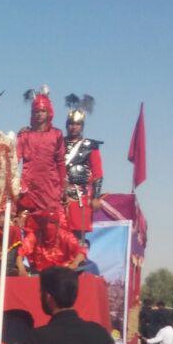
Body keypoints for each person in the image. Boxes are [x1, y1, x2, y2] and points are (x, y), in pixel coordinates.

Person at [16, 88, 66, 217]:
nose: (39, 114)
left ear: (49, 112)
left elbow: (60, 162)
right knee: (27, 222)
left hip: (50, 188)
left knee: (52, 222)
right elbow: (14, 159)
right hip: (29, 187)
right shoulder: (24, 135)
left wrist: (63, 186)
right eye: (36, 111)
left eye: (43, 111)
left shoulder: (57, 134)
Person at [61, 96, 104, 238]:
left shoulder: (90, 146)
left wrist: (96, 197)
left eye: (78, 124)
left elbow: (97, 173)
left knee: (77, 238)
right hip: (59, 196)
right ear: (66, 125)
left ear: (82, 126)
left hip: (79, 198)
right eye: (71, 124)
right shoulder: (58, 143)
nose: (74, 127)